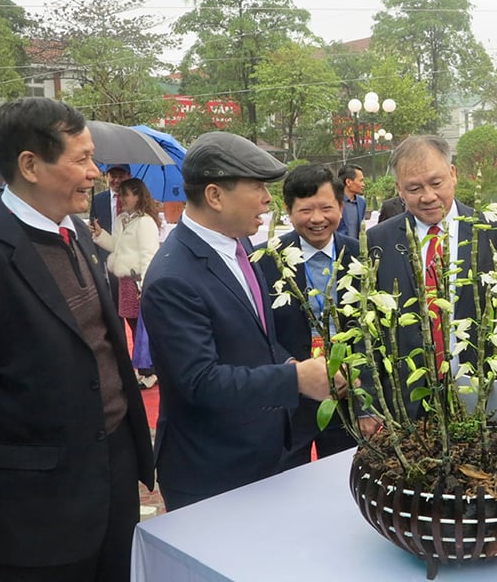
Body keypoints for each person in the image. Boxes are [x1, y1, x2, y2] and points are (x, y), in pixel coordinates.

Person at [0, 97, 154, 582]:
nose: (95, 172)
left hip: (112, 482)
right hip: (36, 511)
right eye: (82, 158)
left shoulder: (78, 236)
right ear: (31, 165)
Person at [139, 131, 346, 511]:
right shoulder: (174, 276)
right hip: (213, 469)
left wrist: (289, 363)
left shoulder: (239, 245)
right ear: (216, 195)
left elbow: (256, 340)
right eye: (258, 187)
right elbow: (199, 382)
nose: (268, 200)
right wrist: (295, 379)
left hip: (261, 453)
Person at [363, 135, 497, 435]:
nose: (427, 196)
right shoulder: (379, 241)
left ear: (453, 174)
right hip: (406, 402)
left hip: (478, 396)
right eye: (414, 188)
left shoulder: (491, 234)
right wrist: (368, 403)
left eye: (436, 183)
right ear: (399, 190)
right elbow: (365, 329)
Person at [258, 164, 358, 468]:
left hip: (347, 391)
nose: (317, 219)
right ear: (288, 210)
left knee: (345, 476)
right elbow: (257, 328)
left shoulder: (361, 256)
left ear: (341, 207)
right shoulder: (266, 259)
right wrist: (292, 369)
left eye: (326, 208)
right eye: (305, 210)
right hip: (289, 392)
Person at [91, 177, 162, 389]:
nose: (122, 199)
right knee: (133, 324)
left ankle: (151, 369)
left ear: (138, 196)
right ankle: (145, 367)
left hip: (137, 280)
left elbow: (149, 255)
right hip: (123, 280)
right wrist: (100, 234)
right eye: (121, 195)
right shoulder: (123, 219)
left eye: (126, 194)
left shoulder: (145, 222)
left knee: (144, 326)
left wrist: (146, 285)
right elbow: (116, 246)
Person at [90, 163, 133, 328]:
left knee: (135, 316)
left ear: (128, 176)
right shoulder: (98, 200)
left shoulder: (137, 199)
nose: (116, 180)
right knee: (113, 314)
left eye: (120, 176)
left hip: (131, 265)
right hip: (108, 263)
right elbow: (95, 231)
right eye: (112, 176)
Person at [337, 164, 366, 239]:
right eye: (361, 181)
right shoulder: (334, 202)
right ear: (348, 182)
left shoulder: (361, 203)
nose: (363, 184)